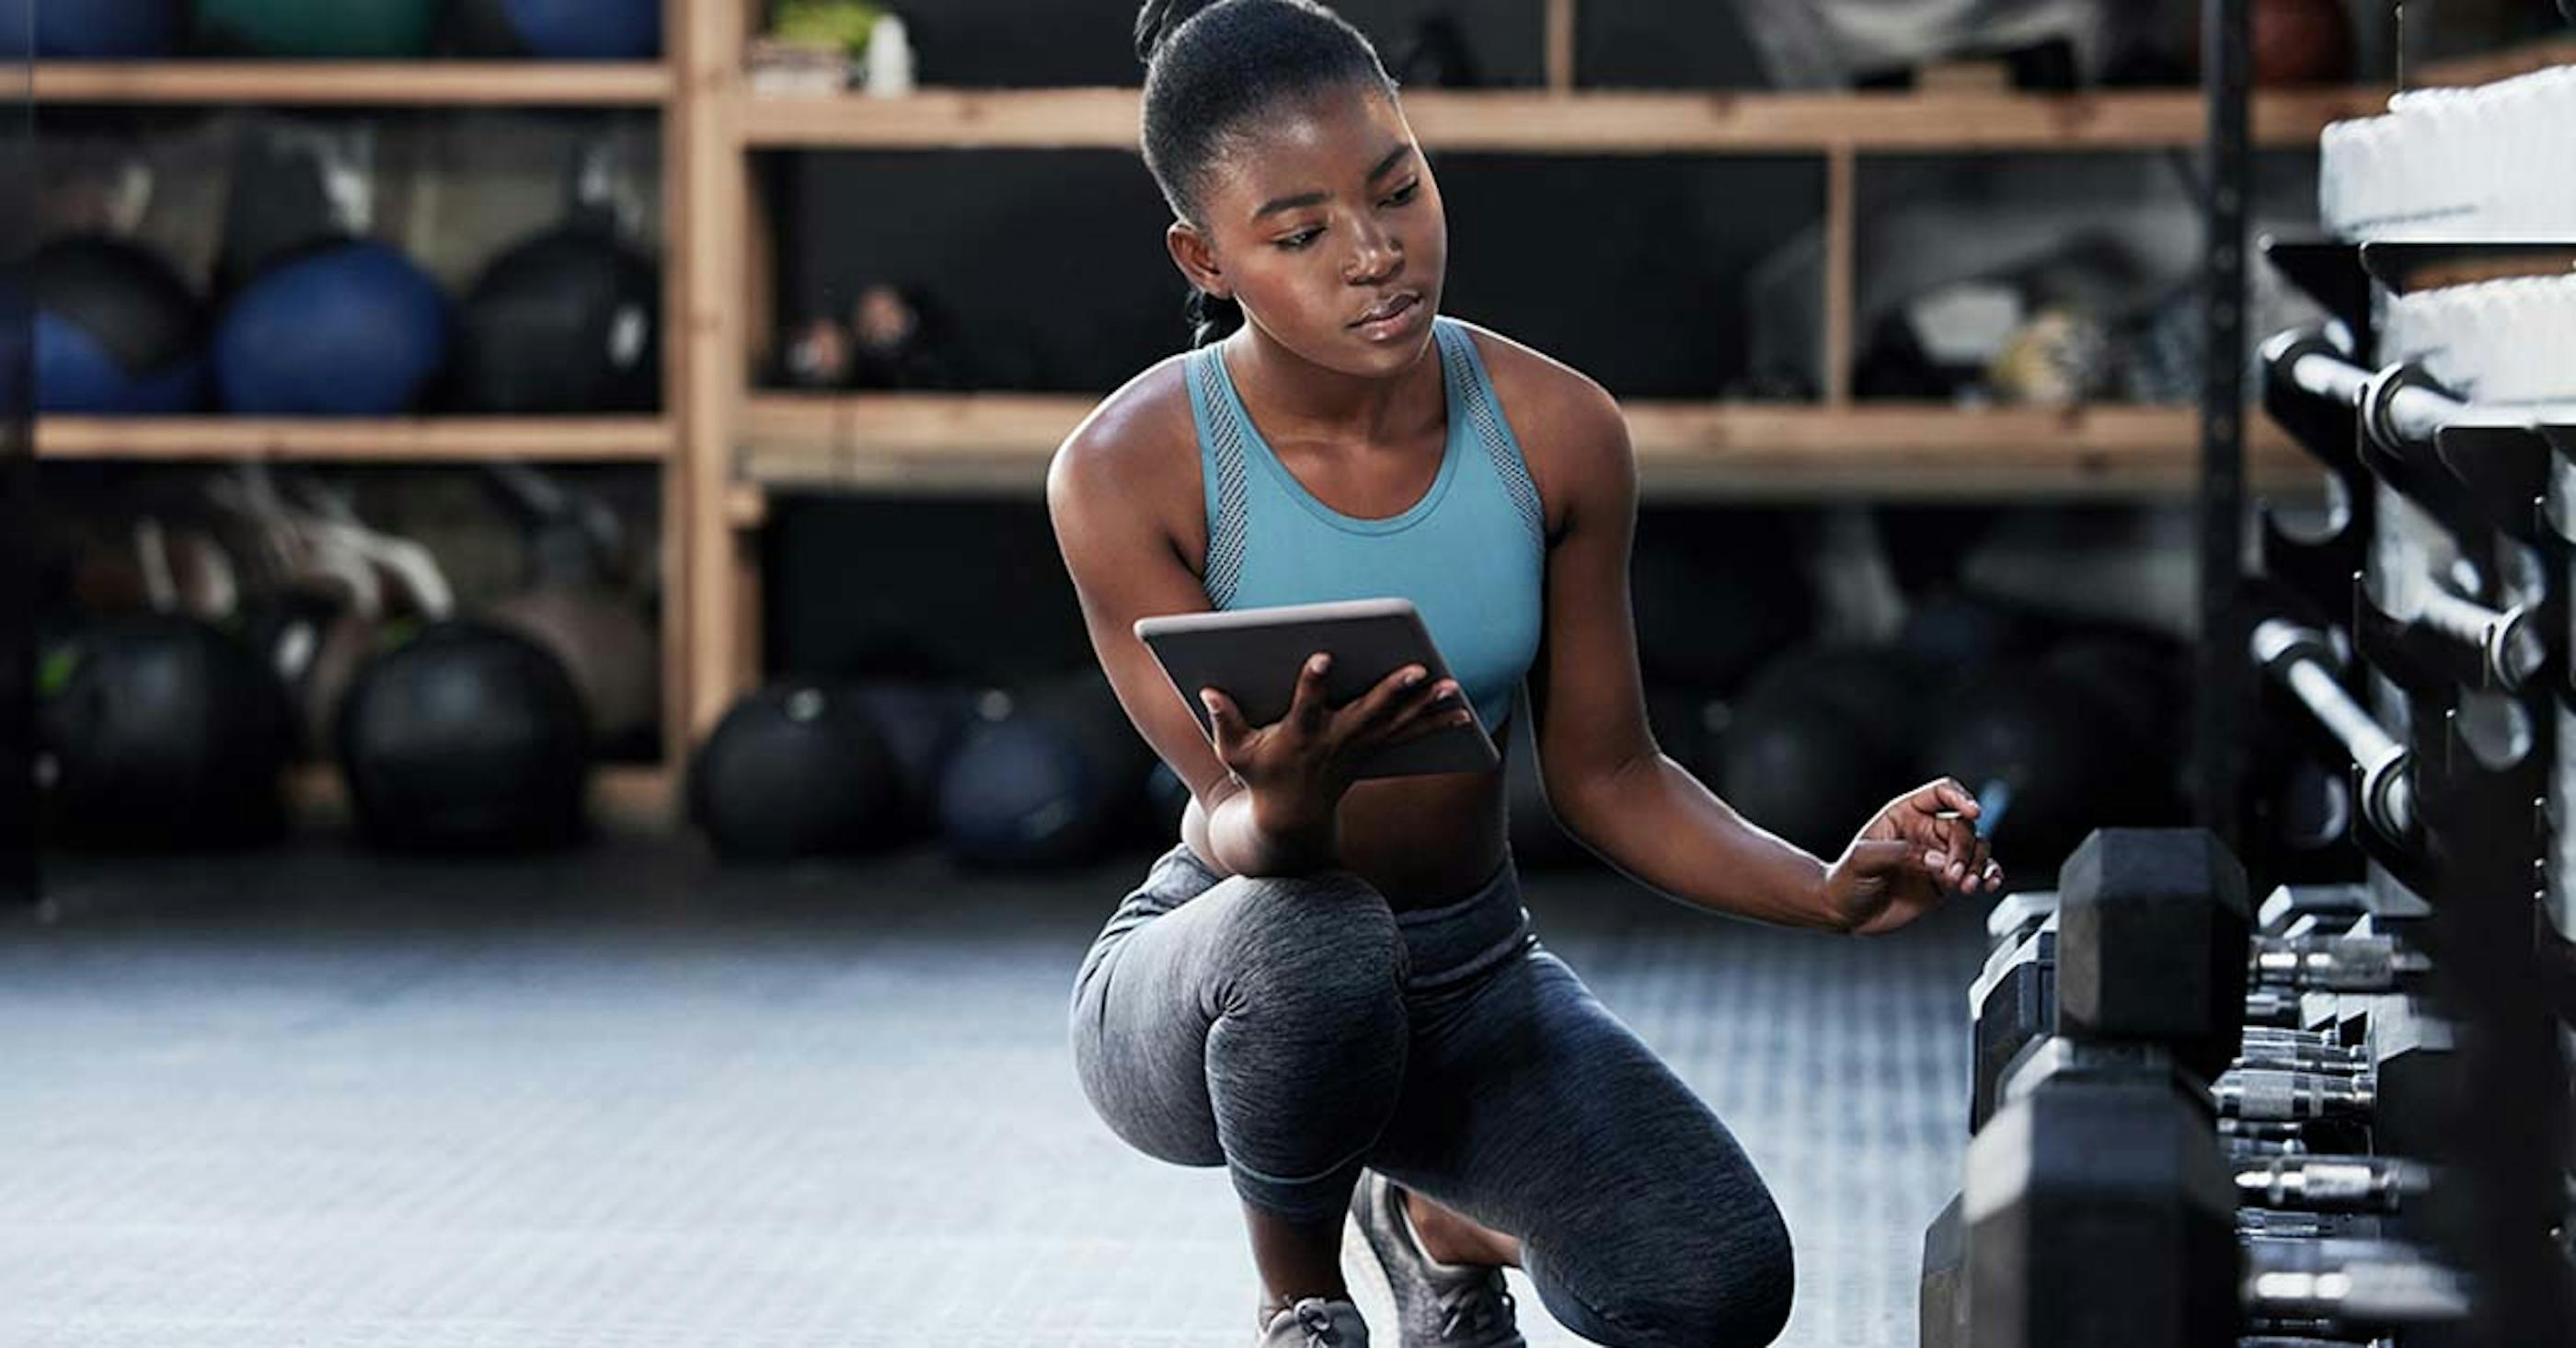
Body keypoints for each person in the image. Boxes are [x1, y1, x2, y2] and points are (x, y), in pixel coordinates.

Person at [1046, 3, 2003, 1344]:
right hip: (1215, 987)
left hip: (1470, 971)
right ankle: (1302, 1299)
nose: (1376, 255)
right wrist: (1292, 802)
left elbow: (1612, 774)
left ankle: (1435, 1211)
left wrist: (1829, 891)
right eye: (1301, 232)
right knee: (1316, 935)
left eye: (1398, 190)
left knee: (1715, 1280)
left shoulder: (1556, 429)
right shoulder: (1125, 468)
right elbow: (1230, 821)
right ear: (1205, 258)